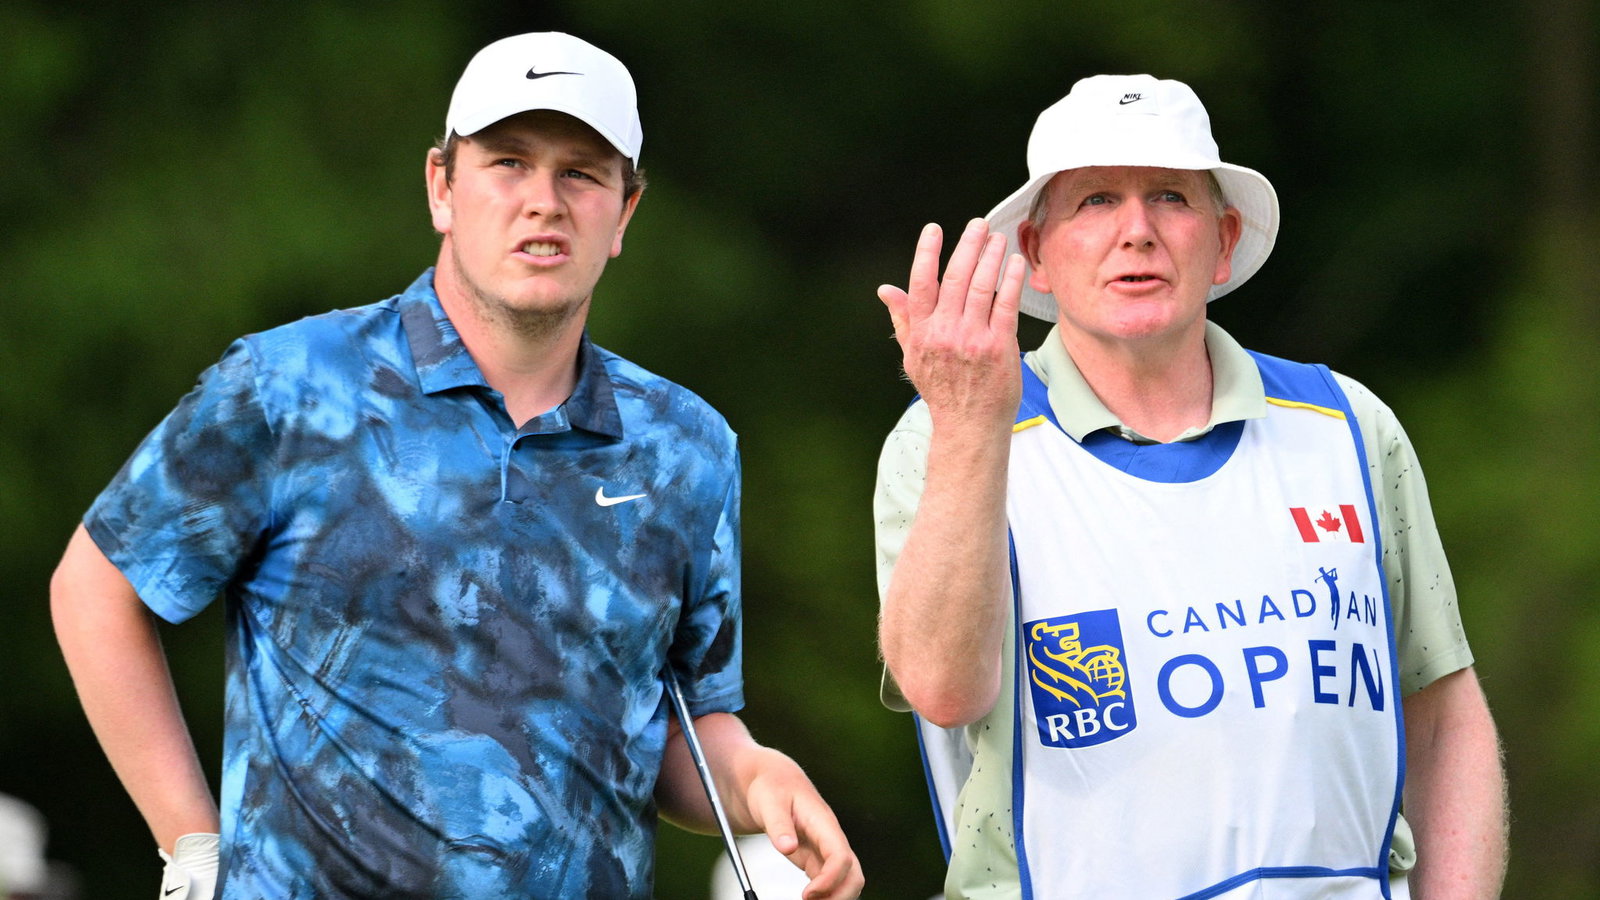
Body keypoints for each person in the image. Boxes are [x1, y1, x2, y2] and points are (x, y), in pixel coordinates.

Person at [50, 31, 862, 900]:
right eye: (508, 162)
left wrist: (757, 782)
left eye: (581, 174)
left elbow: (683, 731)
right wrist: (192, 843)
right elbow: (97, 587)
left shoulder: (684, 446)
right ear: (442, 187)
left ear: (625, 212)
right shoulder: (292, 386)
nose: (543, 201)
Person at [873, 74, 1506, 899]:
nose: (1136, 232)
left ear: (1225, 237)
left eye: (1169, 197)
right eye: (1096, 201)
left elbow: (1443, 713)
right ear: (1036, 253)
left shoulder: (1347, 424)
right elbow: (943, 691)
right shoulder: (947, 437)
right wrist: (968, 424)